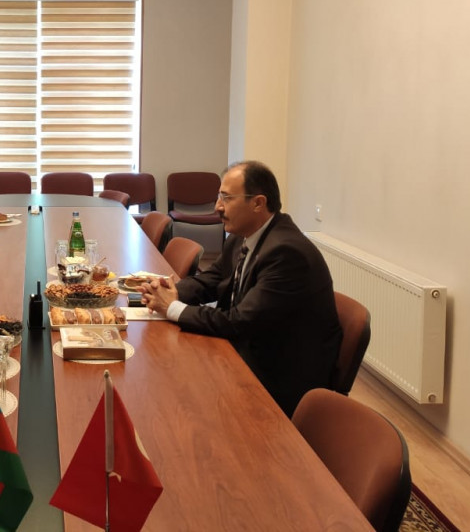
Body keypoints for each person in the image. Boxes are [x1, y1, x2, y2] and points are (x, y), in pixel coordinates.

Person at [141, 160, 342, 416]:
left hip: (278, 376)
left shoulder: (286, 253)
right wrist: (170, 290)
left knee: (179, 397)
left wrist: (172, 307)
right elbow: (212, 279)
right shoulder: (242, 236)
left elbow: (239, 322)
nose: (217, 207)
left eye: (226, 198)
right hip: (250, 349)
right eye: (219, 197)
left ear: (258, 203)